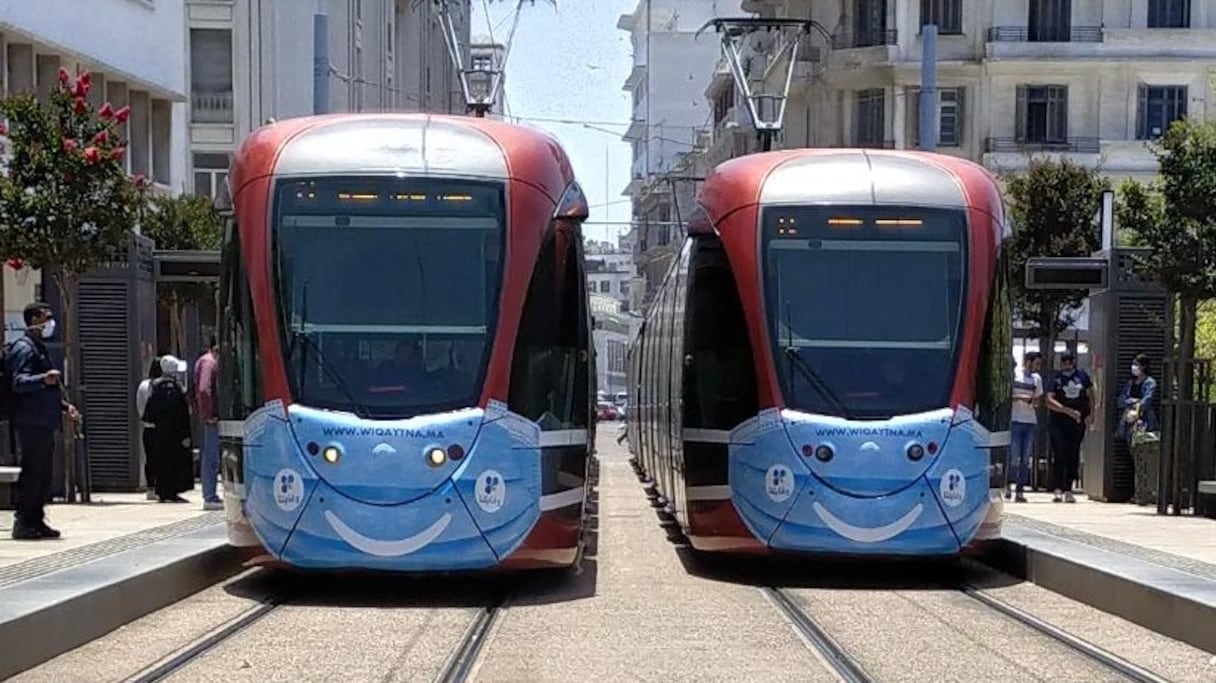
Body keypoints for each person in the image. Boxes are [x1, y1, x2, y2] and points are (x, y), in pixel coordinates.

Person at [8, 302, 80, 540]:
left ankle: (36, 520)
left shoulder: (38, 347)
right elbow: (18, 382)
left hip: (43, 421)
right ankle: (23, 522)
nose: (50, 322)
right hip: (31, 422)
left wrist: (64, 406)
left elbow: (46, 389)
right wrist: (43, 379)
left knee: (43, 475)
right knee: (33, 473)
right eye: (45, 317)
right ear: (34, 320)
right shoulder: (24, 348)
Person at [142, 355, 194, 503]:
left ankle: (162, 491)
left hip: (159, 433)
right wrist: (186, 434)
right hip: (175, 434)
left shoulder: (155, 387)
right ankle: (172, 491)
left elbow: (149, 413)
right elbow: (183, 414)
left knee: (160, 462)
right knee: (174, 462)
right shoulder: (176, 389)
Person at [1045, 351, 1095, 503]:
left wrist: (1091, 414)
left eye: (1069, 361)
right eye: (1064, 361)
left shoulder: (1082, 376)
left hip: (1077, 421)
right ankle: (1057, 488)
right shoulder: (1056, 378)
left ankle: (1068, 488)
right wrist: (1066, 411)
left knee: (1072, 454)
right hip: (1058, 421)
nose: (1066, 364)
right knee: (1059, 453)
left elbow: (1091, 395)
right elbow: (1049, 399)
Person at [1008, 351, 1044, 503]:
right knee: (1014, 457)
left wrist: (1035, 401)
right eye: (1036, 363)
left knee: (1025, 458)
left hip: (1030, 421)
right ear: (1028, 362)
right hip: (1016, 420)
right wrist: (1022, 398)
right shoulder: (1015, 375)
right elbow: (1008, 395)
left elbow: (1038, 399)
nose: (1038, 367)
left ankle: (1020, 490)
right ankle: (1009, 485)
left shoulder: (1037, 379)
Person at [193, 338, 222, 511]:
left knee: (210, 455)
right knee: (211, 456)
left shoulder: (204, 362)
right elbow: (204, 389)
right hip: (213, 418)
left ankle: (210, 494)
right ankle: (210, 496)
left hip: (209, 416)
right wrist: (209, 414)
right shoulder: (209, 363)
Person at [136, 357, 163, 501]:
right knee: (161, 458)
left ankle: (150, 487)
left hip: (147, 428)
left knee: (150, 459)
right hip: (161, 429)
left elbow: (139, 406)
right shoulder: (161, 386)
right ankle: (160, 486)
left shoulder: (142, 386)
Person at [1116, 353, 1157, 443]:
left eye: (1136, 365)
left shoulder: (1150, 382)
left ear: (1144, 366)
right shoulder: (1130, 383)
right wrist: (1133, 401)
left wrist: (1137, 405)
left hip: (1144, 420)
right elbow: (1120, 401)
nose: (1133, 367)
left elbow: (1147, 402)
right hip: (1129, 420)